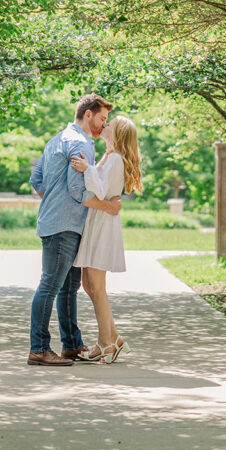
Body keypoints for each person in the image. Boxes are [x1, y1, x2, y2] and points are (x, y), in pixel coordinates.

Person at [27, 93, 120, 367]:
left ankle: (71, 345)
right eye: (102, 119)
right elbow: (79, 191)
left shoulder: (56, 139)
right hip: (65, 225)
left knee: (69, 287)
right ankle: (39, 348)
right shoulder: (82, 143)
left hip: (57, 222)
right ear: (88, 114)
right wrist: (108, 206)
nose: (104, 125)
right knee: (52, 284)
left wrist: (53, 202)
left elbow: (36, 180)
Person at [71, 115, 143, 363]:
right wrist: (90, 168)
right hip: (98, 221)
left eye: (109, 124)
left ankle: (106, 344)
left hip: (103, 224)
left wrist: (86, 169)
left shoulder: (114, 159)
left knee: (97, 288)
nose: (105, 125)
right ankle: (114, 337)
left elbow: (100, 189)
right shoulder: (109, 157)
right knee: (90, 285)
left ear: (118, 134)